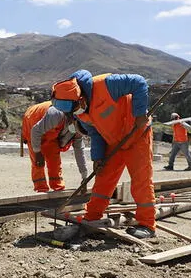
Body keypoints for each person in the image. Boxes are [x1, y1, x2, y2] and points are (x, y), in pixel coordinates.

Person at [50, 70, 155, 239]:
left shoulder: (107, 84)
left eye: (74, 107)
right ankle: (92, 218)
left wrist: (140, 114)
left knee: (141, 181)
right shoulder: (81, 113)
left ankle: (147, 225)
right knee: (103, 182)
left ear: (80, 97)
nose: (74, 112)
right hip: (113, 141)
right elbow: (96, 133)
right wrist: (97, 157)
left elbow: (139, 82)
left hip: (137, 135)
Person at [21, 101, 88, 193]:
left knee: (54, 160)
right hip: (33, 121)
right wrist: (37, 151)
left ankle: (57, 187)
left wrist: (84, 177)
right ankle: (41, 189)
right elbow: (35, 131)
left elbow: (79, 152)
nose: (77, 135)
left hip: (51, 130)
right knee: (38, 162)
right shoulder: (56, 114)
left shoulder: (79, 129)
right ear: (73, 121)